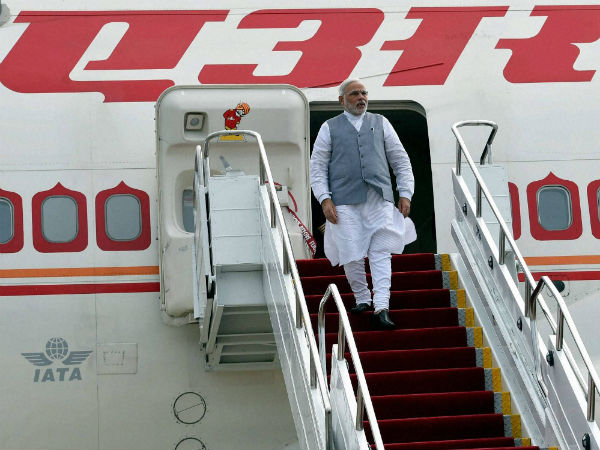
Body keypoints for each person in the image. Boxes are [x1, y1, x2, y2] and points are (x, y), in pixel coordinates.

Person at [310, 78, 417, 329]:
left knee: (381, 251)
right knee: (350, 251)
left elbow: (400, 160)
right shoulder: (329, 127)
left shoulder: (381, 122)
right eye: (355, 94)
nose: (361, 98)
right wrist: (324, 198)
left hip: (379, 198)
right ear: (342, 100)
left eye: (364, 93)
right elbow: (317, 166)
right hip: (343, 200)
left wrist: (405, 193)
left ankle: (381, 306)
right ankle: (362, 298)